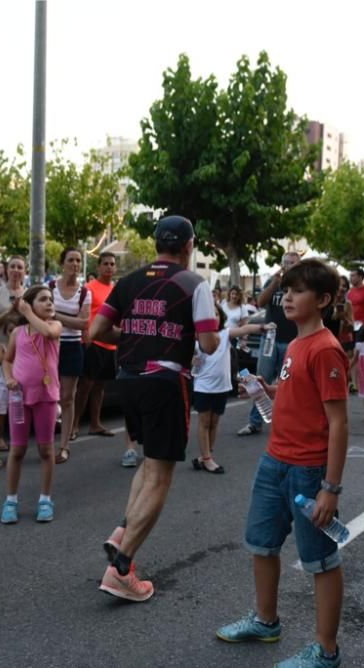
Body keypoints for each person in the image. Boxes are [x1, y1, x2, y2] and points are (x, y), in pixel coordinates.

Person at [215, 258, 348, 668]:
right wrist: (266, 389)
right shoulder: (295, 344)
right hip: (275, 461)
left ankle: (326, 651)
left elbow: (339, 422)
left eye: (298, 290)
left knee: (321, 561)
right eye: (285, 289)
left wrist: (330, 488)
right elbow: (298, 397)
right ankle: (265, 621)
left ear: (323, 299)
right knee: (262, 544)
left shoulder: (326, 348)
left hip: (309, 472)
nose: (287, 296)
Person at [90, 215, 219, 602]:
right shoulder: (194, 284)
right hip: (165, 382)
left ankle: (121, 532)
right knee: (161, 476)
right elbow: (210, 344)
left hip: (127, 379)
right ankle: (122, 569)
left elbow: (96, 332)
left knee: (149, 463)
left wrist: (133, 335)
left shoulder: (128, 281)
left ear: (156, 243)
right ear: (189, 246)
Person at [0, 286, 62, 524]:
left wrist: (28, 313)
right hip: (19, 398)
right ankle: (11, 500)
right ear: (30, 303)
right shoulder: (17, 333)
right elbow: (8, 360)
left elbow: (46, 332)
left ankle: (45, 499)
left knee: (46, 450)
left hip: (46, 395)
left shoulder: (55, 326)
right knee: (17, 450)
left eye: (51, 300)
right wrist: (9, 378)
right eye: (43, 299)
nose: (49, 303)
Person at [191, 306, 268, 473]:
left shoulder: (225, 334)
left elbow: (244, 329)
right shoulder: (196, 339)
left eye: (217, 314)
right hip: (203, 387)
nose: (214, 317)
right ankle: (207, 459)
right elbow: (189, 363)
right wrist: (193, 361)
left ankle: (206, 456)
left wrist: (262, 328)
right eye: (209, 314)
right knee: (205, 422)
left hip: (221, 387)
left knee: (214, 422)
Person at [237, 251, 301, 436]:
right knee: (260, 379)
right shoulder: (274, 281)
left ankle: (287, 424)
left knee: (286, 383)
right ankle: (254, 422)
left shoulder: (301, 285)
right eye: (285, 262)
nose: (288, 266)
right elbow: (261, 302)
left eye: (292, 263)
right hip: (270, 339)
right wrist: (275, 282)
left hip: (292, 340)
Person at [73, 252, 126, 458]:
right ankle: (75, 424)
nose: (109, 267)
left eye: (112, 264)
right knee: (85, 385)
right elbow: (83, 316)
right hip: (93, 342)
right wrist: (85, 336)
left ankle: (95, 424)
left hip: (110, 344)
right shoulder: (89, 289)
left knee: (101, 386)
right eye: (106, 264)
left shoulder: (115, 289)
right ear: (98, 266)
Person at [50, 247, 91, 465]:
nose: (75, 264)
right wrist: (69, 319)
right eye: (71, 260)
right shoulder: (49, 287)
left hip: (72, 346)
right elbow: (39, 312)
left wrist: (55, 315)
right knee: (48, 397)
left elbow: (84, 323)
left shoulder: (84, 292)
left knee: (68, 397)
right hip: (50, 345)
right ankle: (46, 443)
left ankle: (64, 446)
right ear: (62, 262)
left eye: (78, 260)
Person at [0, 314, 19, 458]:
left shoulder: (24, 348)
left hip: (18, 390)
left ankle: (16, 454)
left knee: (17, 424)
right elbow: (3, 360)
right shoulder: (1, 347)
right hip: (2, 388)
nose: (13, 333)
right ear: (6, 332)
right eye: (10, 330)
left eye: (16, 330)